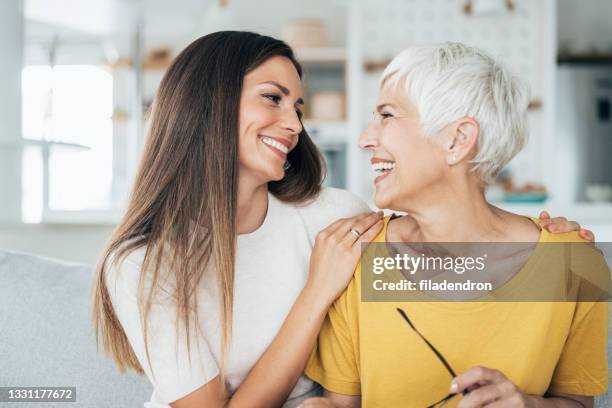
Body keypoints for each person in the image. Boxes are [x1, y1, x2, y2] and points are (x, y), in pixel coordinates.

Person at [91, 32, 591, 408]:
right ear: (208, 105)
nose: (294, 124)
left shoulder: (339, 216)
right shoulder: (141, 263)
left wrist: (555, 247)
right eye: (272, 98)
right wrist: (316, 291)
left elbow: (448, 217)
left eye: (297, 105)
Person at [302, 43, 609, 408]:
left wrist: (528, 405)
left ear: (458, 140)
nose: (365, 138)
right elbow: (340, 404)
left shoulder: (573, 263)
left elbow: (579, 402)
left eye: (387, 115)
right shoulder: (358, 256)